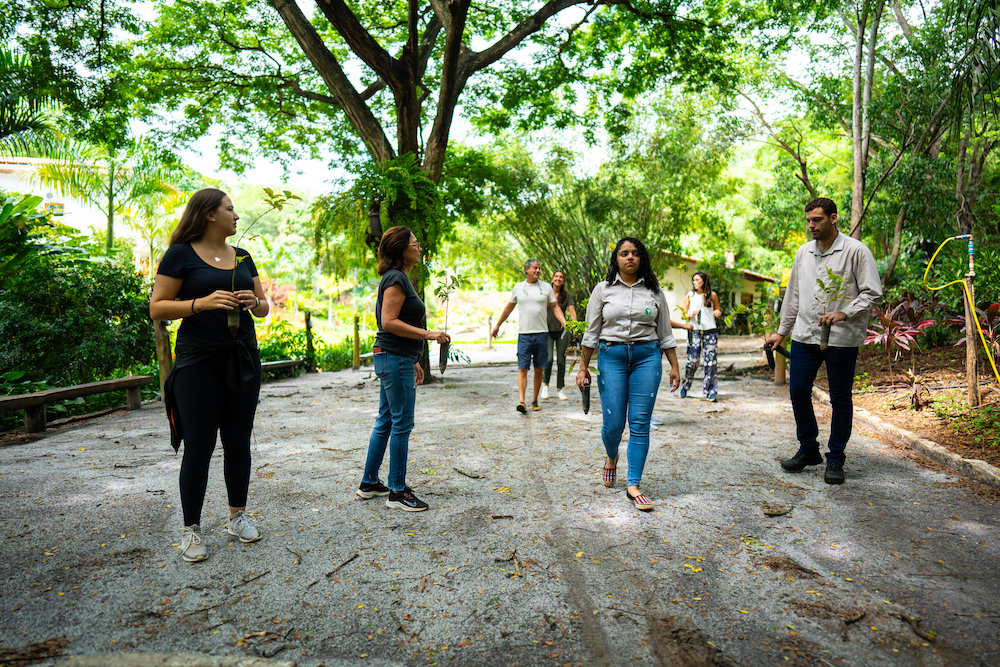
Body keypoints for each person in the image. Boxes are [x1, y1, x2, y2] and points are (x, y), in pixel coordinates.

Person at [150, 188, 270, 563]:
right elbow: (157, 308)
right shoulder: (180, 255)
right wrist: (200, 303)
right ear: (209, 215)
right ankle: (191, 529)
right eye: (230, 209)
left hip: (243, 360)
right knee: (199, 447)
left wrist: (255, 302)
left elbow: (264, 308)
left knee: (238, 442)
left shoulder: (243, 256)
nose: (236, 215)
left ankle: (237, 517)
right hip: (198, 363)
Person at [764, 198, 882, 485]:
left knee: (840, 398)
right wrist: (782, 331)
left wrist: (845, 312)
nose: (811, 225)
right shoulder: (803, 253)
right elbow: (793, 296)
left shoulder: (856, 251)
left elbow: (872, 292)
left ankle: (836, 458)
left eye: (816, 219)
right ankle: (808, 449)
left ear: (833, 218)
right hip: (805, 335)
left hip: (842, 337)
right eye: (808, 220)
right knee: (798, 390)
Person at [576, 238, 681, 512]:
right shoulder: (603, 290)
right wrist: (583, 367)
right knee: (613, 423)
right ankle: (611, 456)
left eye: (635, 253)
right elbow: (591, 333)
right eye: (624, 253)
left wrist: (674, 365)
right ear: (616, 259)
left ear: (641, 258)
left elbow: (665, 333)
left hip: (647, 357)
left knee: (640, 423)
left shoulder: (654, 291)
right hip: (611, 356)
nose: (630, 257)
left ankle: (633, 485)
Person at [357, 226, 450, 512]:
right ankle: (397, 491)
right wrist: (428, 334)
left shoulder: (398, 277)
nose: (419, 247)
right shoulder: (396, 278)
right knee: (401, 423)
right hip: (393, 357)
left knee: (386, 419)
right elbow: (389, 322)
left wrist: (415, 359)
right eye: (414, 243)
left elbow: (398, 324)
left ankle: (369, 483)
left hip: (395, 357)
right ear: (401, 249)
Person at [491, 259, 566, 412]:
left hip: (541, 334)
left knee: (539, 368)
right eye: (534, 268)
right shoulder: (518, 288)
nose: (537, 271)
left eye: (539, 268)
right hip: (524, 334)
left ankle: (534, 401)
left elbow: (554, 307)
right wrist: (498, 325)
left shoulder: (546, 287)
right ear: (526, 269)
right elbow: (509, 308)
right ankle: (521, 401)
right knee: (522, 368)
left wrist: (564, 322)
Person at [679, 271, 723, 402]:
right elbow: (683, 315)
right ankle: (685, 385)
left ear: (704, 281)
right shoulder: (690, 295)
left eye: (697, 280)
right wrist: (691, 314)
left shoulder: (712, 295)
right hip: (695, 331)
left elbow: (717, 309)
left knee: (711, 362)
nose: (695, 282)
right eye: (693, 280)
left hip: (710, 331)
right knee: (693, 361)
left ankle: (710, 391)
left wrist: (718, 312)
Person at [541, 270, 577, 401]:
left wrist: (574, 324)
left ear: (563, 281)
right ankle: (545, 385)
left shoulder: (566, 295)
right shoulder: (545, 294)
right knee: (549, 359)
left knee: (561, 361)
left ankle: (560, 389)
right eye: (556, 276)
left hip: (562, 332)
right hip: (547, 331)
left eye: (561, 277)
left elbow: (571, 311)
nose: (558, 279)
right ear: (552, 279)